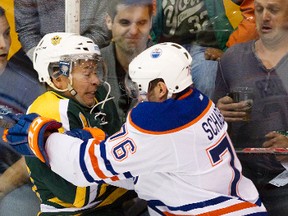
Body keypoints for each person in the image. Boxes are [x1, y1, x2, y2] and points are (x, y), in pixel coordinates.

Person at [5, 42, 268, 215]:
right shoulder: (201, 104)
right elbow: (144, 167)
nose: (137, 94)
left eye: (141, 86)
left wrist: (42, 136)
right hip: (244, 206)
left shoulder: (160, 123)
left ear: (162, 88)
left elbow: (85, 166)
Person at [18, 32, 140, 215]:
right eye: (87, 73)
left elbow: (123, 153)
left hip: (112, 203)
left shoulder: (97, 96)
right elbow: (78, 194)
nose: (96, 80)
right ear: (58, 77)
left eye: (95, 71)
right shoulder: (51, 110)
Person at [212, 0, 288, 215]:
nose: (264, 16)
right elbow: (211, 123)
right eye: (259, 9)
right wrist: (219, 114)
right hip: (239, 182)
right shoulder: (232, 58)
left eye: (273, 10)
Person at [151, 0, 258, 98]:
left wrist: (231, 50)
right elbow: (138, 16)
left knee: (208, 79)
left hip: (208, 52)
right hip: (164, 52)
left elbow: (256, 11)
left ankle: (210, 116)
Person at [0, 6, 44, 215]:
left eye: (6, 34)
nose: (3, 45)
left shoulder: (28, 86)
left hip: (17, 187)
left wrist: (2, 186)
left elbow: (37, 151)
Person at [101, 0, 153, 123]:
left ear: (151, 23)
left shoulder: (167, 66)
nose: (134, 31)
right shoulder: (93, 66)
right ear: (109, 21)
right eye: (125, 22)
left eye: (141, 22)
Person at [14, 0, 110, 61]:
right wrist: (43, 62)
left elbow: (102, 32)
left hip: (90, 60)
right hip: (42, 59)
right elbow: (27, 30)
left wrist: (77, 55)